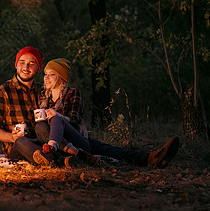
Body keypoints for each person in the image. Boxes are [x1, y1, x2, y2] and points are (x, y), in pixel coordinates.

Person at [37, 57, 180, 168]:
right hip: (65, 147)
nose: (46, 78)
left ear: (61, 78)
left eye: (52, 74)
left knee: (59, 121)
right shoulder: (44, 98)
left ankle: (150, 157)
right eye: (45, 74)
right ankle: (148, 159)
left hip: (76, 139)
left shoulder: (73, 93)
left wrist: (58, 116)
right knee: (104, 149)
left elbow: (73, 121)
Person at [0, 47, 98, 166]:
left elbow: (59, 117)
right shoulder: (3, 92)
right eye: (22, 62)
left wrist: (78, 123)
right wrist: (11, 137)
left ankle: (64, 158)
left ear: (38, 68)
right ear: (16, 65)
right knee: (21, 141)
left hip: (43, 142)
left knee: (43, 128)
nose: (26, 67)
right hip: (20, 147)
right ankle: (65, 158)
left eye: (31, 63)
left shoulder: (43, 91)